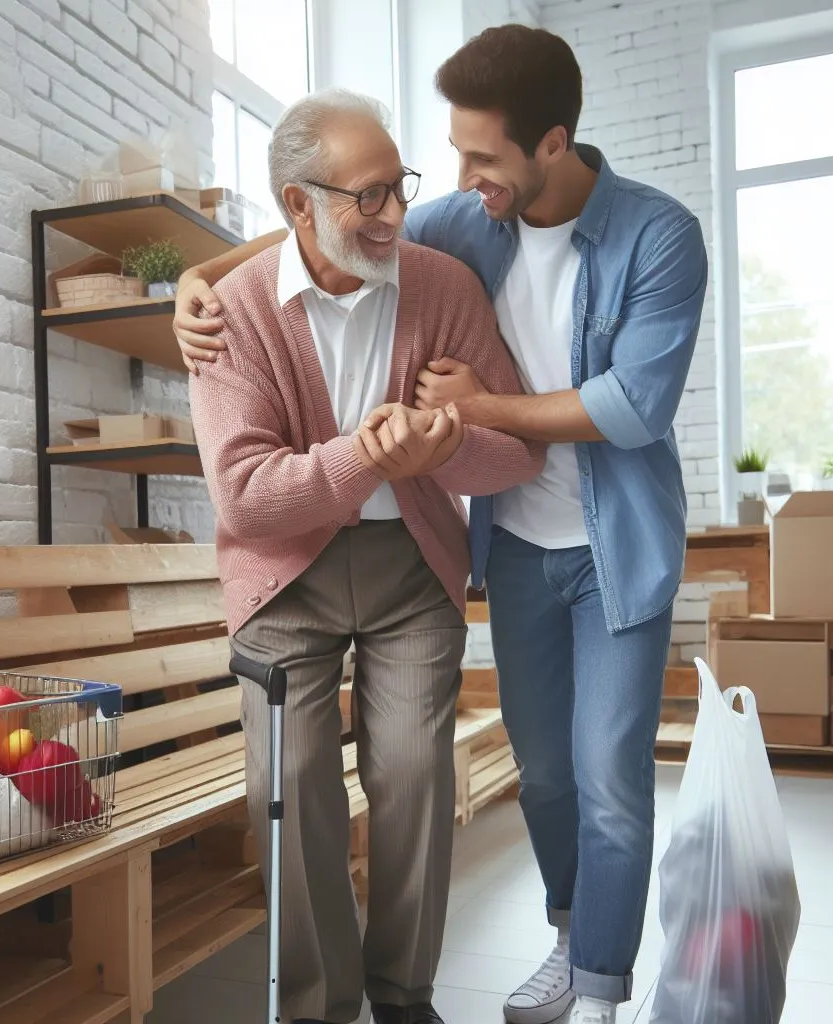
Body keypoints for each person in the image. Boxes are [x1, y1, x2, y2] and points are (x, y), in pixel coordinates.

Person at [177, 26, 707, 1024]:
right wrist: (197, 277)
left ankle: (525, 988)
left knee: (533, 773)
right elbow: (247, 488)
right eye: (376, 191)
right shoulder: (432, 237)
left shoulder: (591, 244)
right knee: (383, 780)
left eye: (467, 163)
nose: (426, 198)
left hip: (525, 552)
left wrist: (452, 432)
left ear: (547, 145)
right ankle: (358, 994)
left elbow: (590, 423)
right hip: (390, 561)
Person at [188, 86, 544, 1024]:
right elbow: (247, 498)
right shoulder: (233, 314)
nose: (391, 214)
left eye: (399, 187)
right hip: (283, 578)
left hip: (411, 566)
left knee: (415, 775)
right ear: (298, 205)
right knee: (291, 782)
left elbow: (514, 448)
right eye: (366, 196)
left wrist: (440, 449)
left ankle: (402, 995)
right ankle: (318, 1006)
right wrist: (364, 455)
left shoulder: (442, 286)